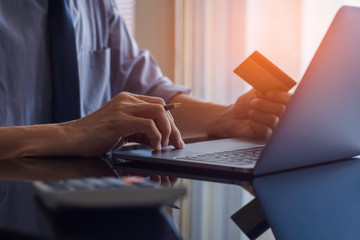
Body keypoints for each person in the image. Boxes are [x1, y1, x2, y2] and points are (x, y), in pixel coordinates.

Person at [0, 0, 291, 160]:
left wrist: (226, 118)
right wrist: (72, 134)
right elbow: (85, 130)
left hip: (87, 205)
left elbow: (151, 95)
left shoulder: (98, 6)